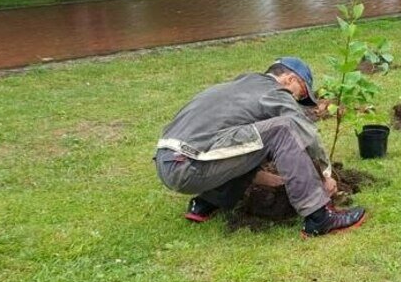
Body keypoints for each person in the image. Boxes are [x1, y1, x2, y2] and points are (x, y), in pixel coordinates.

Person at [154, 57, 366, 238]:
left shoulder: (242, 85)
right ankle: (319, 218)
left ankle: (206, 203)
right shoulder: (275, 91)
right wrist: (325, 175)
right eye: (300, 94)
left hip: (167, 160)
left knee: (253, 135)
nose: (296, 100)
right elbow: (305, 133)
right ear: (290, 79)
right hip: (190, 165)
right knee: (283, 128)